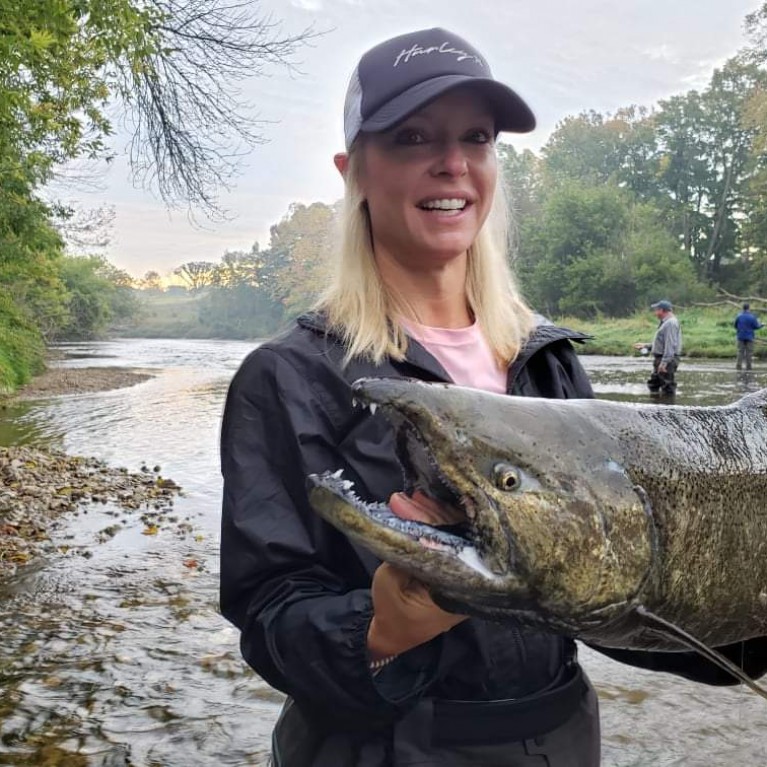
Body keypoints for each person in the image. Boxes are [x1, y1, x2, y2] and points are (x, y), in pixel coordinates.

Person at [220, 28, 767, 767]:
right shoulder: (284, 377)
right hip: (375, 751)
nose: (452, 163)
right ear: (353, 171)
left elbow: (620, 602)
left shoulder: (547, 361)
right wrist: (386, 623)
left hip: (558, 740)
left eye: (475, 137)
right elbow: (271, 617)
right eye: (412, 137)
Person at [633, 299, 682, 396]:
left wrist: (664, 363)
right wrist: (646, 346)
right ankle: (655, 406)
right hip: (662, 359)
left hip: (666, 360)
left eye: (656, 310)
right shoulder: (667, 322)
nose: (655, 313)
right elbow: (663, 343)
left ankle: (669, 408)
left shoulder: (670, 323)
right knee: (653, 385)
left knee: (668, 388)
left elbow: (670, 344)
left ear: (662, 310)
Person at [734, 302, 763, 371]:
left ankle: (738, 366)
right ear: (749, 308)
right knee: (749, 352)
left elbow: (735, 326)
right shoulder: (752, 317)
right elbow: (756, 326)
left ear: (743, 308)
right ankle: (749, 367)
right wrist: (761, 325)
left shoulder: (738, 316)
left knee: (740, 352)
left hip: (740, 337)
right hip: (750, 337)